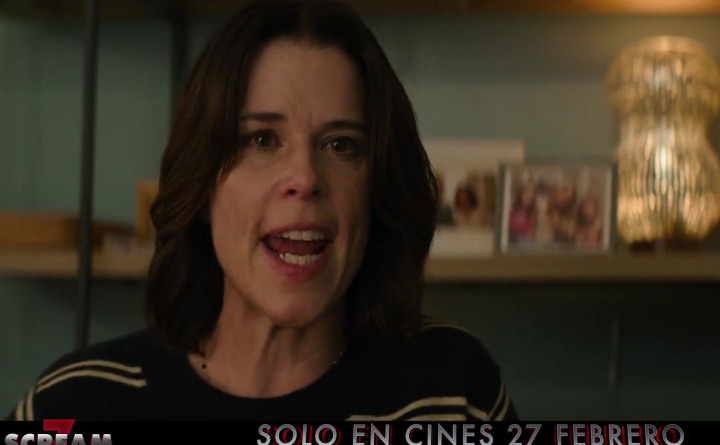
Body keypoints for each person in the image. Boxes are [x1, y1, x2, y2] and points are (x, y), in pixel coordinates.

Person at [7, 0, 516, 421]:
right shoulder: (74, 406)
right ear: (202, 187)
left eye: (341, 145)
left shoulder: (452, 393)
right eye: (261, 139)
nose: (305, 178)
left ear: (375, 189)